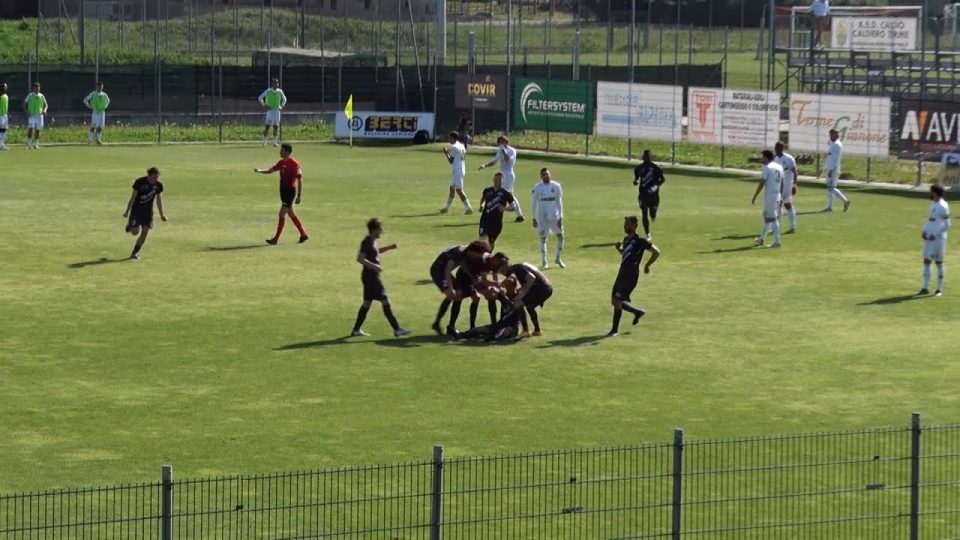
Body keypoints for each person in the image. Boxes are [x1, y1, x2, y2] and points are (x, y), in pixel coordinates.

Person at [350, 218, 411, 338]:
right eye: (380, 229)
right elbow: (360, 258)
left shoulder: (372, 241)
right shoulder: (366, 242)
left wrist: (389, 247)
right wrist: (373, 266)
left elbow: (375, 252)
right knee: (385, 301)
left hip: (370, 277)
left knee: (367, 303)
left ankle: (356, 330)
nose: (381, 232)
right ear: (374, 230)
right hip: (371, 277)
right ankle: (397, 329)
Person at [608, 216, 660, 337]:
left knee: (617, 301)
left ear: (634, 226)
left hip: (630, 275)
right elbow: (627, 254)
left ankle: (614, 330)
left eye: (627, 224)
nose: (625, 226)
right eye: (624, 224)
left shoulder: (640, 241)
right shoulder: (626, 240)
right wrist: (619, 249)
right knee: (615, 301)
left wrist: (647, 265)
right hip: (622, 273)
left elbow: (656, 252)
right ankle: (637, 312)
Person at [429, 241, 491, 336]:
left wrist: (472, 276)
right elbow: (447, 269)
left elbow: (462, 264)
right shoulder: (459, 253)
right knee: (451, 295)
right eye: (479, 254)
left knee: (457, 296)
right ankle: (441, 324)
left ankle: (447, 326)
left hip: (446, 272)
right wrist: (450, 288)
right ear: (473, 251)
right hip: (438, 271)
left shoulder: (466, 252)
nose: (479, 256)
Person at [254, 143, 309, 245]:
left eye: (282, 150)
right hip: (283, 191)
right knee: (291, 213)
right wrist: (260, 171)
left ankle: (276, 239)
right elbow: (271, 170)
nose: (280, 152)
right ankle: (303, 234)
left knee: (282, 213)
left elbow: (300, 179)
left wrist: (299, 195)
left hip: (289, 192)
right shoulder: (281, 162)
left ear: (287, 152)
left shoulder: (294, 164)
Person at [492, 253, 553, 336]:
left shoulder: (517, 268)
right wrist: (521, 289)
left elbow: (531, 278)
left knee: (517, 303)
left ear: (505, 266)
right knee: (529, 306)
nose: (503, 274)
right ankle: (537, 330)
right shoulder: (519, 267)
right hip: (546, 288)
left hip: (541, 289)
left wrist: (522, 294)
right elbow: (530, 281)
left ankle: (525, 331)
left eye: (502, 271)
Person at [123, 167, 168, 260]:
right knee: (135, 232)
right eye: (154, 177)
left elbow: (158, 200)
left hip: (148, 212)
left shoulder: (158, 185)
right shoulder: (139, 182)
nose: (155, 180)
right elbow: (133, 197)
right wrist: (127, 211)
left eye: (157, 177)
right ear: (149, 175)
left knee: (145, 231)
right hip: (136, 210)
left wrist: (162, 215)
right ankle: (130, 226)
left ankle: (135, 253)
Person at [479, 136, 524, 222]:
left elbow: (509, 161)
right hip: (502, 175)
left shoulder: (512, 151)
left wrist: (503, 150)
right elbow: (495, 161)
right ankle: (519, 215)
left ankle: (518, 215)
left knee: (508, 195)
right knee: (510, 195)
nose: (500, 144)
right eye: (499, 142)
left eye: (502, 142)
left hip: (509, 175)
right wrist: (485, 165)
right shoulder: (499, 150)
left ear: (506, 142)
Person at [918, 184, 951, 297]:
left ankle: (939, 289)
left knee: (939, 262)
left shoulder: (943, 206)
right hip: (929, 237)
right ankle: (925, 287)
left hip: (938, 239)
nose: (930, 193)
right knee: (926, 261)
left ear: (935, 192)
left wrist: (936, 235)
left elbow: (947, 224)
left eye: (931, 191)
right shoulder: (933, 204)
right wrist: (924, 230)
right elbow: (930, 220)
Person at [531, 167, 565, 269]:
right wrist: (533, 217)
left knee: (561, 236)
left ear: (550, 174)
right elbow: (534, 203)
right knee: (543, 239)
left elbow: (559, 202)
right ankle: (544, 262)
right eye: (544, 174)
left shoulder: (556, 186)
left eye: (547, 174)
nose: (546, 176)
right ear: (541, 176)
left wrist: (561, 216)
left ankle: (558, 258)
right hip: (542, 217)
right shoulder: (537, 187)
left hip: (555, 216)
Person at [752, 149, 784, 248]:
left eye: (762, 157)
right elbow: (782, 182)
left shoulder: (767, 168)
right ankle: (762, 238)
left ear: (766, 157)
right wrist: (781, 195)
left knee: (772, 218)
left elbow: (762, 182)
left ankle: (777, 241)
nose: (761, 159)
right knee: (767, 217)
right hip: (777, 195)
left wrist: (755, 195)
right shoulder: (779, 167)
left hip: (771, 196)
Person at [633, 150, 666, 240]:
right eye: (645, 156)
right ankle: (647, 233)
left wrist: (656, 186)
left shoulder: (655, 168)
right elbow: (636, 179)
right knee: (644, 212)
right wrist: (635, 181)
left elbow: (662, 179)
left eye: (648, 157)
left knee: (652, 212)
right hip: (643, 194)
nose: (647, 158)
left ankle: (653, 215)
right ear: (643, 157)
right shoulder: (639, 168)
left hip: (653, 195)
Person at [478, 172, 516, 249]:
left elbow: (514, 207)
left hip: (496, 223)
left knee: (490, 243)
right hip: (485, 220)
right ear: (493, 179)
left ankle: (488, 257)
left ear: (502, 181)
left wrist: (504, 208)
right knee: (483, 241)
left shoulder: (506, 194)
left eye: (499, 179)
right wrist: (481, 205)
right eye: (495, 179)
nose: (497, 181)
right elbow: (483, 199)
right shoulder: (487, 190)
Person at [439, 131, 473, 215]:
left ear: (453, 138)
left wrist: (446, 153)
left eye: (450, 138)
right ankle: (446, 208)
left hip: (458, 171)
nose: (449, 139)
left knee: (459, 190)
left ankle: (469, 208)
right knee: (452, 189)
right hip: (460, 169)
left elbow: (451, 161)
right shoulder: (461, 145)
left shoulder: (454, 147)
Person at [821, 128, 850, 212]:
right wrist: (823, 168)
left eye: (832, 135)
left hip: (834, 169)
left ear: (836, 135)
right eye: (830, 135)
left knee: (831, 188)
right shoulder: (833, 144)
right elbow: (829, 157)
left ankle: (845, 201)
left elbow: (835, 159)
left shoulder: (837, 145)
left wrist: (830, 170)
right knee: (830, 188)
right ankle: (829, 206)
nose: (830, 136)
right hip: (831, 168)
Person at [774, 142, 799, 233]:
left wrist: (794, 185)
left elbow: (795, 172)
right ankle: (776, 227)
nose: (776, 149)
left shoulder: (789, 158)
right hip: (779, 185)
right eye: (775, 148)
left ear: (782, 148)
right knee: (778, 205)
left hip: (788, 184)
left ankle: (792, 226)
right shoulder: (775, 159)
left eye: (777, 148)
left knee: (787, 205)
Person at [258, 78, 287, 147]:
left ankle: (274, 142)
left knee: (276, 127)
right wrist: (264, 105)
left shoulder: (280, 91)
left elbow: (285, 99)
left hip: (277, 111)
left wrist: (281, 106)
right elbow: (260, 98)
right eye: (274, 83)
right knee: (267, 126)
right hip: (270, 112)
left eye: (277, 83)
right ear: (272, 84)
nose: (275, 84)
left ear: (278, 84)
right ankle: (264, 142)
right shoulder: (268, 91)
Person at [83, 81, 110, 145]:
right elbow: (85, 100)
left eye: (102, 87)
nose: (101, 88)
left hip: (102, 113)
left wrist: (105, 106)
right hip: (95, 113)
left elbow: (108, 101)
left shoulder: (104, 94)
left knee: (100, 127)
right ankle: (90, 140)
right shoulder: (93, 94)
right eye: (100, 87)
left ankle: (98, 140)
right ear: (97, 87)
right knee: (93, 126)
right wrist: (89, 106)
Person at [23, 81, 47, 149]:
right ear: (33, 88)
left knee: (37, 130)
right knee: (30, 129)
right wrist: (26, 112)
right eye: (36, 87)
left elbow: (46, 105)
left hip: (39, 116)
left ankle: (35, 144)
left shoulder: (42, 96)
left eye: (39, 87)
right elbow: (24, 104)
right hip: (32, 115)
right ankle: (28, 144)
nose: (38, 88)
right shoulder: (30, 95)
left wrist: (45, 110)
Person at [0, 82, 8, 150]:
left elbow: (6, 106)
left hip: (5, 115)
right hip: (0, 115)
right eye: (3, 87)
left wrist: (7, 113)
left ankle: (2, 144)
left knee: (4, 130)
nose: (4, 89)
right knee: (1, 130)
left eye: (5, 87)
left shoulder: (6, 96)